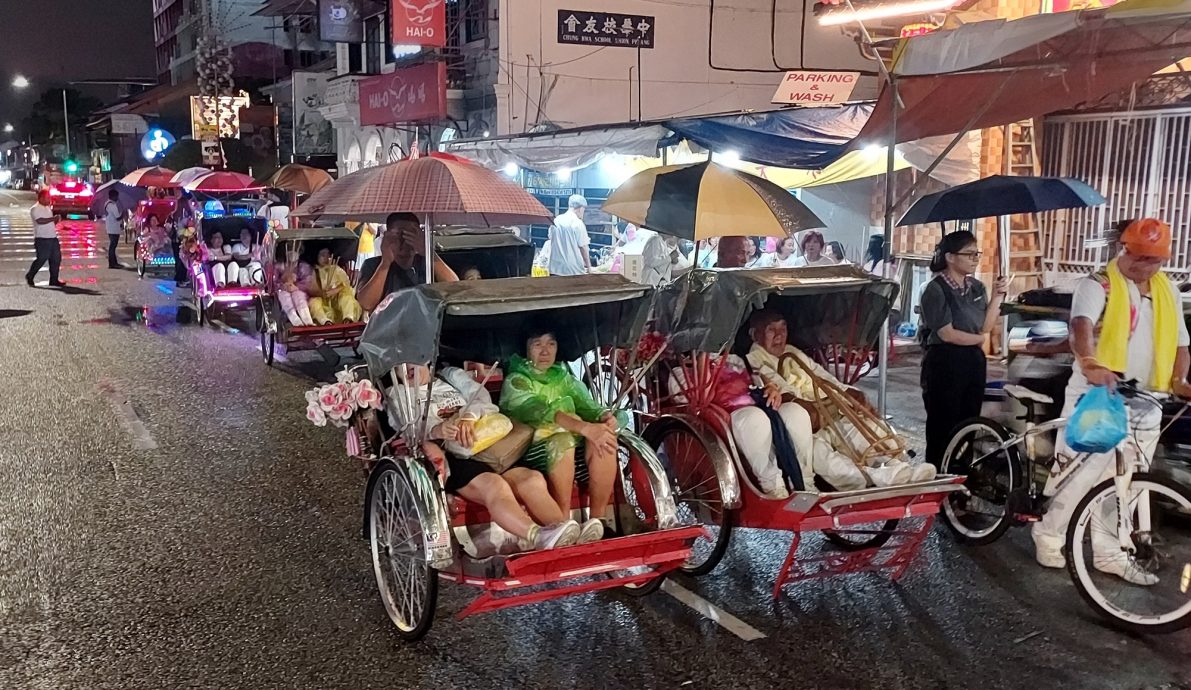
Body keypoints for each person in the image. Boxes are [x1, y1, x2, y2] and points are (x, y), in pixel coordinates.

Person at [1031, 219, 1191, 582]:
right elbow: (1081, 327)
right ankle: (1049, 535)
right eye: (1139, 257)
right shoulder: (1098, 283)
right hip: (1098, 395)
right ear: (1124, 249)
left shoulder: (1168, 291)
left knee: (1126, 482)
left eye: (1154, 260)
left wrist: (1180, 380)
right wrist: (1089, 362)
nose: (1145, 266)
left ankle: (1109, 552)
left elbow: (1182, 343)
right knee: (1079, 471)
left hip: (1148, 399)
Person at [389, 365, 579, 552]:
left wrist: (469, 417)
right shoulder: (398, 394)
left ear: (426, 360)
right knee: (495, 485)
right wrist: (436, 430)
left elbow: (481, 397)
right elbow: (406, 427)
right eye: (399, 365)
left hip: (489, 445)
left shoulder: (450, 376)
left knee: (531, 479)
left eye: (412, 360)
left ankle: (564, 533)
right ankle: (538, 536)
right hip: (453, 456)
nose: (408, 367)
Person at [745, 309, 935, 490]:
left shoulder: (792, 351)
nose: (779, 335)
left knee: (864, 433)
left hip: (828, 412)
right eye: (771, 330)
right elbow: (793, 402)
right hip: (803, 429)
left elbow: (825, 378)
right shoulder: (753, 360)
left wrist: (850, 394)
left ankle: (899, 468)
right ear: (755, 335)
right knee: (827, 460)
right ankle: (879, 476)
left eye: (783, 328)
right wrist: (836, 404)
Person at [500, 323, 624, 543]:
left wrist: (604, 416)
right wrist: (584, 428)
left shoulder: (563, 377)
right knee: (562, 440)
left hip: (574, 444)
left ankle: (599, 521)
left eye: (551, 344)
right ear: (526, 349)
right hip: (531, 448)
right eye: (537, 345)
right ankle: (562, 521)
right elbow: (541, 411)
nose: (545, 351)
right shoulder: (516, 380)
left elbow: (586, 404)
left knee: (604, 438)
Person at [918, 231, 1009, 468]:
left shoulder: (977, 288)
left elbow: (985, 326)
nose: (975, 259)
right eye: (968, 254)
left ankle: (963, 475)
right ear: (950, 257)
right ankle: (938, 476)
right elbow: (947, 334)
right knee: (942, 424)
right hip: (944, 362)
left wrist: (998, 296)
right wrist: (978, 339)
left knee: (969, 422)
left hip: (973, 362)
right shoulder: (935, 290)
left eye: (976, 253)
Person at [356, 212, 459, 312]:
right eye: (398, 236)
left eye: (410, 236)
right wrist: (385, 263)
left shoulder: (427, 264)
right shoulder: (372, 265)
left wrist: (428, 252)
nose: (404, 244)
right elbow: (366, 304)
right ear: (387, 237)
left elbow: (455, 289)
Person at [308, 248, 362, 324]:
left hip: (338, 298)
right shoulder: (314, 272)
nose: (326, 258)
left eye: (328, 255)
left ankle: (348, 318)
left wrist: (335, 290)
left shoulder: (336, 269)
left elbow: (346, 284)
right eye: (323, 255)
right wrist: (321, 293)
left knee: (347, 298)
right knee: (313, 302)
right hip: (323, 300)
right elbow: (311, 289)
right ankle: (325, 321)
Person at [25, 189, 65, 287]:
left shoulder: (48, 208)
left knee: (56, 259)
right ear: (41, 198)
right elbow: (40, 221)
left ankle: (54, 280)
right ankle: (30, 275)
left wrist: (56, 220)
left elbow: (50, 223)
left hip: (53, 237)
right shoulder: (35, 209)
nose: (49, 200)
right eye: (47, 198)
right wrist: (53, 218)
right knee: (42, 258)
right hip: (42, 238)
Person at [547, 194, 591, 276]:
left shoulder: (556, 220)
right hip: (572, 270)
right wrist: (589, 267)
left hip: (554, 269)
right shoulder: (578, 223)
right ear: (580, 208)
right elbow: (583, 247)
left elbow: (550, 238)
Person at [275, 246, 316, 327]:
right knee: (285, 297)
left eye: (295, 249)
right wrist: (282, 285)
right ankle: (296, 322)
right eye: (290, 249)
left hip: (299, 290)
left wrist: (296, 286)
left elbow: (308, 282)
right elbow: (273, 282)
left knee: (298, 295)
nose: (292, 252)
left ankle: (308, 322)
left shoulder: (304, 267)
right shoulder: (278, 266)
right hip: (283, 291)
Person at [103, 189, 123, 269]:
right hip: (114, 228)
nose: (117, 198)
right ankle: (112, 263)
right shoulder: (112, 205)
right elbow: (117, 217)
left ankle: (114, 262)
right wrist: (123, 214)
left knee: (112, 246)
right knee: (113, 246)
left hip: (110, 227)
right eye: (116, 196)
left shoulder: (107, 204)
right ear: (113, 196)